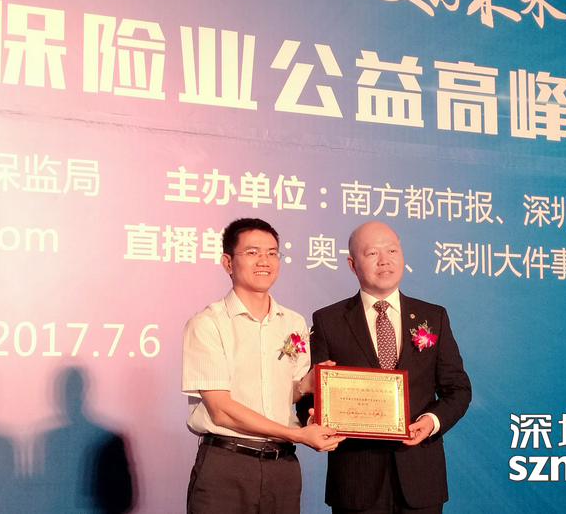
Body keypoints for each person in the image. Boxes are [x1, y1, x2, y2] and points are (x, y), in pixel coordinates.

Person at [299, 221, 471, 514]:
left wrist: (430, 422)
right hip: (355, 479)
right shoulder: (328, 321)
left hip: (421, 478)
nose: (385, 260)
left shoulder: (433, 316)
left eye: (392, 250)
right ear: (352, 264)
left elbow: (458, 389)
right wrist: (312, 420)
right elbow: (310, 392)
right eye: (372, 253)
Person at [182, 217, 343, 514]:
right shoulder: (208, 323)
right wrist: (297, 434)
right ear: (228, 262)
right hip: (226, 466)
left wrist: (306, 385)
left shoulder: (293, 322)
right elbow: (221, 409)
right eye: (252, 252)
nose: (264, 261)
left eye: (271, 253)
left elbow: (285, 392)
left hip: (283, 468)